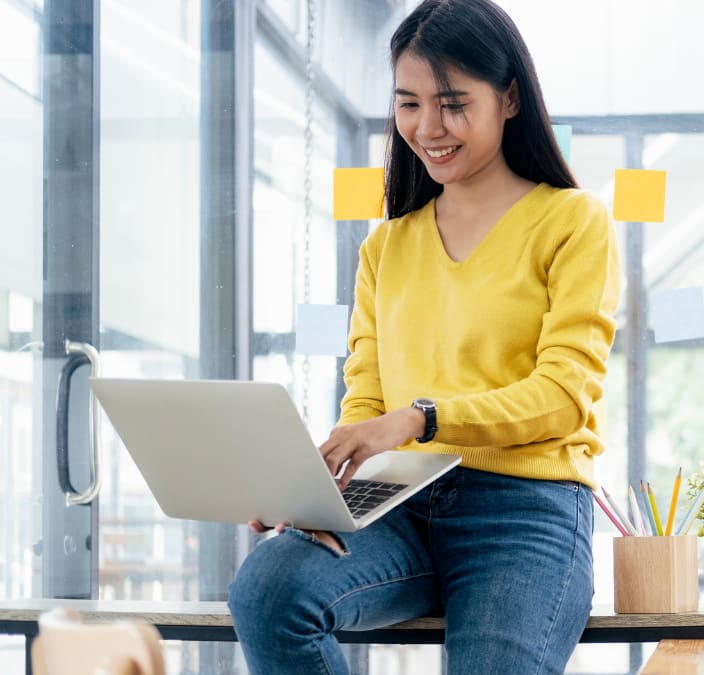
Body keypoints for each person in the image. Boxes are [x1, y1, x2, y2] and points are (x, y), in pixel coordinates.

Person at [226, 0, 621, 672]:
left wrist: (418, 418)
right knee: (268, 588)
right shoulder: (386, 247)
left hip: (526, 511)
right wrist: (326, 492)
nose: (427, 127)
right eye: (408, 104)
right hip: (398, 500)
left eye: (452, 104)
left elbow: (561, 396)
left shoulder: (572, 221)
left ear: (510, 98)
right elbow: (365, 402)